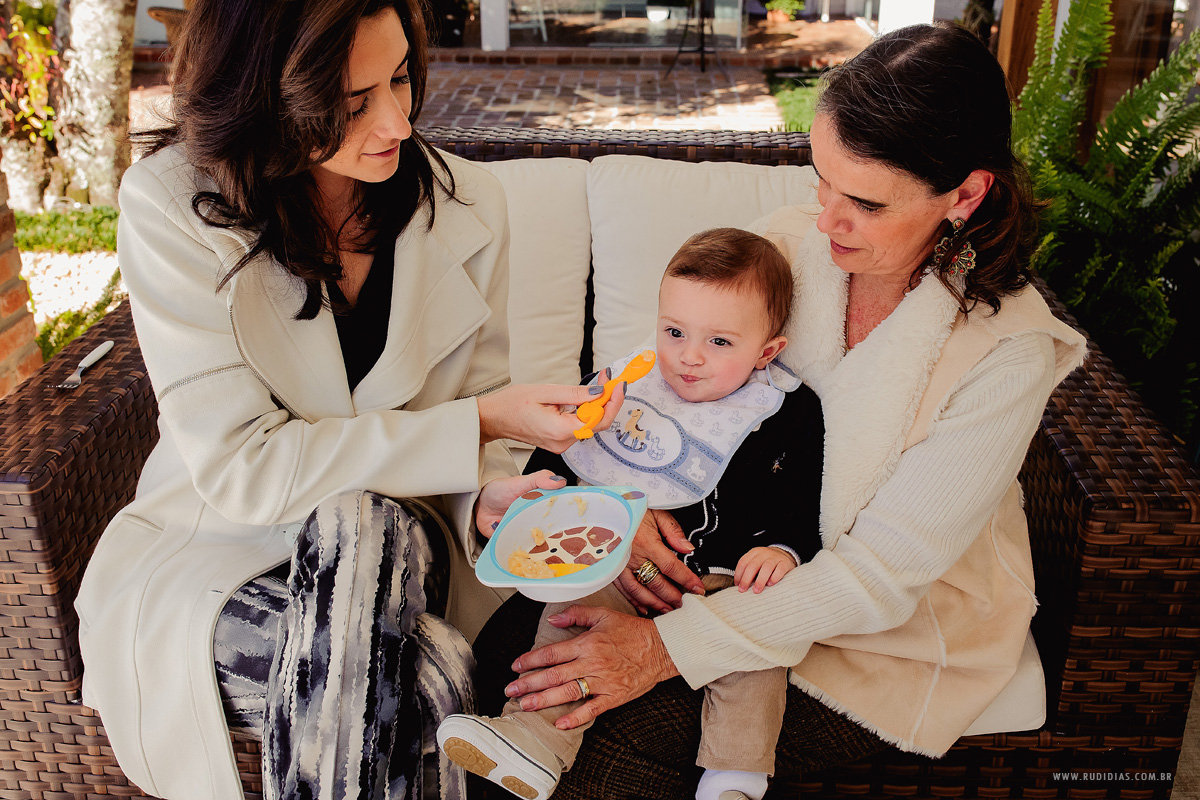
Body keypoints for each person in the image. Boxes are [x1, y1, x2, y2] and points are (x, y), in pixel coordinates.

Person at [473, 22, 1089, 800]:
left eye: (862, 202)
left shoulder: (1008, 352)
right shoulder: (789, 250)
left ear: (965, 195)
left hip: (879, 633)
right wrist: (625, 512)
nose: (825, 220)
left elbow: (880, 579)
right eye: (821, 181)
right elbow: (659, 398)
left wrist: (664, 647)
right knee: (508, 654)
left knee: (609, 744)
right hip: (722, 558)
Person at [71, 1, 625, 799]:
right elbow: (245, 471)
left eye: (401, 78)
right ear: (266, 94)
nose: (398, 122)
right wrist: (476, 425)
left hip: (410, 545)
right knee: (432, 681)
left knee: (364, 518)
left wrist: (484, 494)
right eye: (351, 103)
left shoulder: (468, 204)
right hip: (226, 551)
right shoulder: (169, 205)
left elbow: (474, 421)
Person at [438, 228, 825, 800]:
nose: (688, 356)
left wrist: (783, 550)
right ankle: (535, 742)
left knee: (757, 646)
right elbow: (564, 454)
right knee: (566, 612)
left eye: (719, 342)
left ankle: (735, 777)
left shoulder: (787, 412)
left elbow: (803, 499)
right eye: (673, 332)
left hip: (727, 578)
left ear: (767, 351)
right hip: (617, 562)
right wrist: (540, 488)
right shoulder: (628, 385)